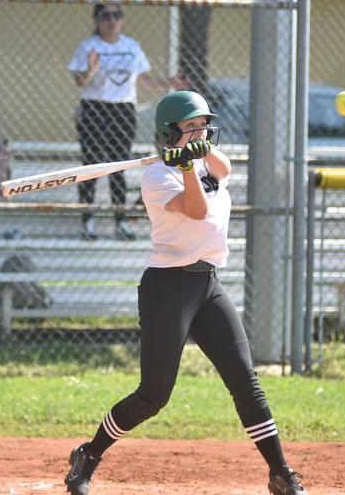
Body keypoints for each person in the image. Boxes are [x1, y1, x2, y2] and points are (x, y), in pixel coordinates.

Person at [63, 91, 306, 495]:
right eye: (190, 126)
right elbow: (195, 210)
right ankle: (89, 454)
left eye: (203, 125)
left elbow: (223, 166)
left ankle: (280, 473)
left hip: (207, 285)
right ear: (168, 132)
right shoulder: (157, 176)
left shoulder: (207, 160)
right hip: (168, 288)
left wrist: (197, 153)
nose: (200, 131)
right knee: (153, 396)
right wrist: (186, 167)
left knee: (246, 383)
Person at [69, 3, 183, 241]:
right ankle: (87, 219)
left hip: (122, 109)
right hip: (95, 106)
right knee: (91, 164)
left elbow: (142, 80)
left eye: (116, 15)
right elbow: (80, 82)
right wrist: (90, 69)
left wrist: (168, 83)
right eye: (106, 16)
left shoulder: (131, 46)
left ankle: (120, 220)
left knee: (119, 165)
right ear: (97, 20)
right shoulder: (89, 46)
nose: (112, 20)